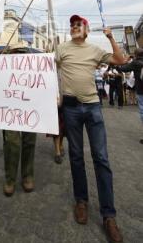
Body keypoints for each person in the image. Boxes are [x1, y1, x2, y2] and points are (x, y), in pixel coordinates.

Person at [57, 14, 125, 243]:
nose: (75, 27)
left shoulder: (95, 50)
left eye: (79, 24)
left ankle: (109, 216)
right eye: (72, 25)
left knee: (101, 158)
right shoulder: (61, 49)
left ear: (86, 29)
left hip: (93, 108)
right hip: (71, 108)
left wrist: (111, 37)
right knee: (76, 157)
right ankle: (81, 201)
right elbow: (43, 70)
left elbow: (121, 59)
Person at [2, 46, 37, 197]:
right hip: (10, 112)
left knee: (29, 142)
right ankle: (10, 179)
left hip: (30, 111)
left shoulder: (35, 69)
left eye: (21, 53)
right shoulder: (2, 70)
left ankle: (27, 175)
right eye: (15, 53)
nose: (18, 56)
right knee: (11, 143)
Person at [116, 48, 143, 144]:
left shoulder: (135, 63)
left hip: (141, 91)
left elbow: (121, 69)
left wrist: (125, 60)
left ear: (135, 54)